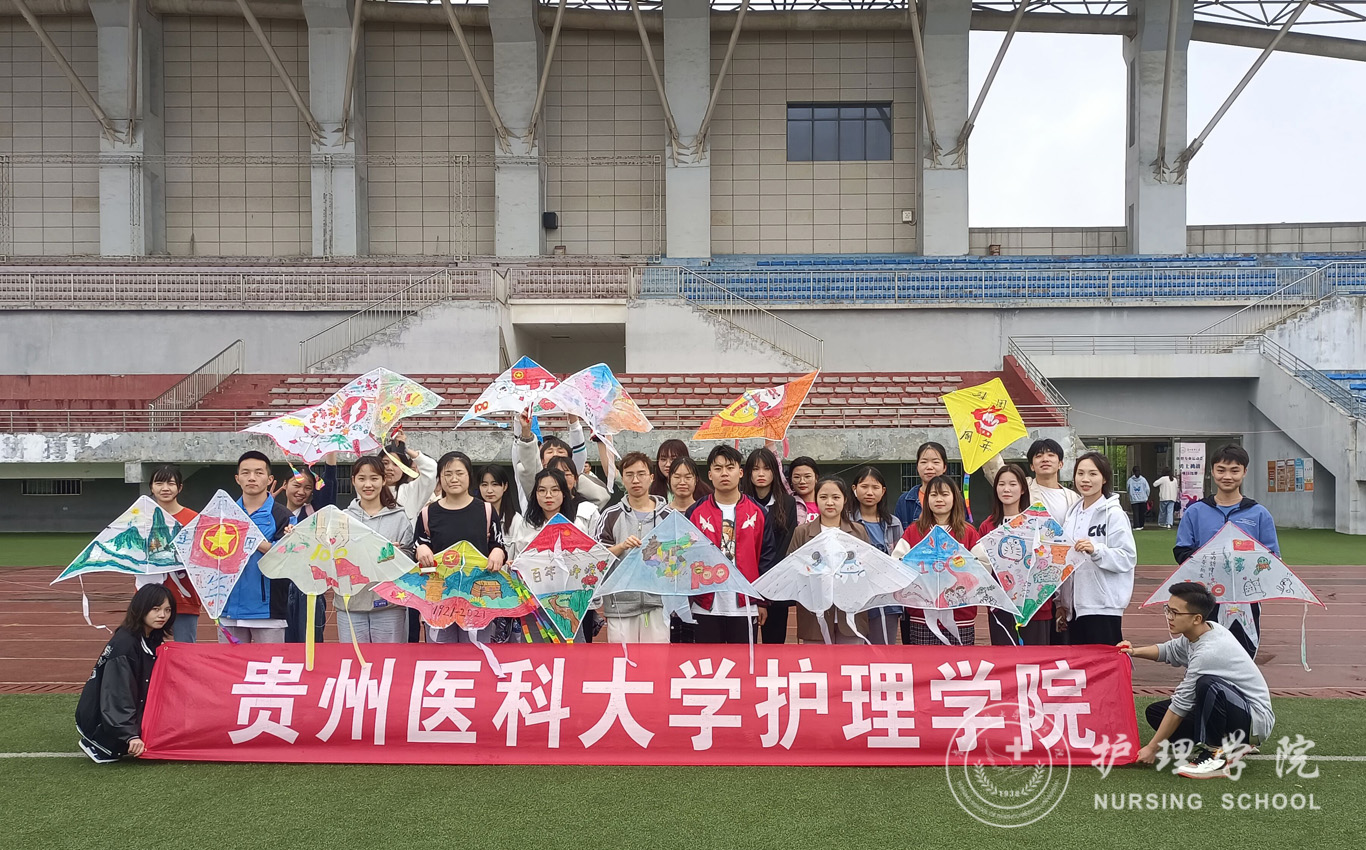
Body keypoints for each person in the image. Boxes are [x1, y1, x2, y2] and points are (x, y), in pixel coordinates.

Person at [1121, 581, 1275, 779]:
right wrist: (1133, 652)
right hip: (1236, 710)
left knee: (1207, 685)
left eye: (1175, 613)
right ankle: (1233, 744)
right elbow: (1170, 651)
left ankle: (1215, 756)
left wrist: (1152, 748)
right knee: (1156, 713)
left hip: (1254, 721)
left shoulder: (1208, 652)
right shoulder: (1204, 630)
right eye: (1168, 609)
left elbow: (1181, 703)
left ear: (1197, 618)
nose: (1169, 617)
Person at [1173, 444, 1279, 659]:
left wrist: (1246, 559)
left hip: (1245, 597)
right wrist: (1213, 557)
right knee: (1203, 652)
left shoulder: (1258, 513)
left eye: (1234, 470)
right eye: (1221, 470)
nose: (1227, 476)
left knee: (1243, 654)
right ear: (1212, 471)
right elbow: (1181, 551)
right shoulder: (1195, 511)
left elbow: (1272, 558)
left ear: (1244, 472)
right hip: (1204, 597)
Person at [686, 445, 778, 644]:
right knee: (707, 661)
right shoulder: (695, 512)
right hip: (705, 603)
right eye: (718, 468)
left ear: (741, 472)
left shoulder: (758, 512)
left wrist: (762, 601)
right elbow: (686, 557)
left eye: (730, 467)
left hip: (745, 604)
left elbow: (766, 559)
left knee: (743, 662)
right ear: (710, 475)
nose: (724, 473)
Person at [415, 451, 508, 644]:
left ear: (469, 476)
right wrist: (421, 549)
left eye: (459, 473)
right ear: (439, 478)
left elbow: (498, 545)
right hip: (439, 599)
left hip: (477, 598)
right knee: (440, 654)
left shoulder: (485, 510)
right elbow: (418, 546)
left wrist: (498, 552)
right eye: (447, 474)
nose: (453, 479)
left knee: (476, 653)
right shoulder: (428, 513)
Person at [76, 583, 175, 763]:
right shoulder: (125, 644)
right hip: (99, 722)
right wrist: (130, 735)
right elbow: (118, 693)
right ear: (141, 608)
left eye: (167, 610)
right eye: (155, 609)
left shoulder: (150, 637)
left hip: (114, 713)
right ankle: (103, 741)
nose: (162, 615)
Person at [1056, 452, 1136, 646]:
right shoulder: (1072, 515)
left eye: (1093, 474)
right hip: (1074, 609)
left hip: (1103, 607)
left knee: (1105, 660)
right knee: (1079, 662)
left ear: (1104, 478)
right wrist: (1061, 602)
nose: (1085, 479)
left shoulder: (1114, 514)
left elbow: (1127, 557)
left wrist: (1096, 550)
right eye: (1080, 473)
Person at [892, 474, 980, 645]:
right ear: (927, 500)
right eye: (934, 495)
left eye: (945, 494)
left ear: (955, 498)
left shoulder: (968, 532)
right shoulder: (914, 531)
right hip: (922, 617)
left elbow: (983, 567)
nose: (939, 499)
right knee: (925, 662)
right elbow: (897, 563)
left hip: (961, 617)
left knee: (960, 662)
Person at [595, 452, 673, 644]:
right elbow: (597, 557)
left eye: (641, 474)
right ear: (622, 478)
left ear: (651, 477)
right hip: (620, 605)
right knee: (621, 660)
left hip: (658, 604)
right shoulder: (610, 515)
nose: (635, 480)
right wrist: (621, 546)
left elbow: (678, 559)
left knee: (656, 660)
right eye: (629, 475)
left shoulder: (668, 516)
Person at [976, 462, 1056, 646]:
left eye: (1013, 484)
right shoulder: (988, 526)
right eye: (1001, 484)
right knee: (1004, 659)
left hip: (1034, 606)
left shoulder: (1039, 521)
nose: (1006, 489)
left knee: (1035, 659)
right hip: (1001, 607)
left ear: (1023, 489)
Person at [338, 456, 415, 643]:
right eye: (362, 478)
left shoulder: (400, 518)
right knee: (352, 660)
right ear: (353, 481)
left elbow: (410, 558)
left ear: (384, 480)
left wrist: (397, 555)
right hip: (350, 604)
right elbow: (332, 556)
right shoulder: (342, 518)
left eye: (374, 478)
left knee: (390, 660)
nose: (368, 484)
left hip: (390, 605)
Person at [220, 451, 293, 644]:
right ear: (237, 478)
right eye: (246, 473)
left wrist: (252, 540)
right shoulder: (223, 514)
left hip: (269, 611)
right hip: (229, 609)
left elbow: (289, 555)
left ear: (269, 479)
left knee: (270, 663)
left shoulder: (283, 516)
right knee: (229, 664)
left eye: (259, 473)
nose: (252, 478)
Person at [787, 475, 871, 644]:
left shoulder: (858, 531)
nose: (830, 502)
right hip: (814, 614)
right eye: (824, 497)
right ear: (816, 499)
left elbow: (868, 568)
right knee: (816, 660)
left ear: (844, 500)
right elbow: (790, 570)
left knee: (852, 660)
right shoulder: (802, 532)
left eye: (836, 497)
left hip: (851, 614)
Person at [136, 464, 201, 643]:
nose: (165, 488)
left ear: (180, 487)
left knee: (185, 650)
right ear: (151, 487)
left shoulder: (194, 519)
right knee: (148, 649)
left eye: (171, 483)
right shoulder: (140, 519)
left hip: (184, 596)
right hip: (149, 598)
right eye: (159, 483)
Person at [743, 447, 799, 645]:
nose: (761, 474)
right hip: (746, 582)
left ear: (775, 472)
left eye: (766, 469)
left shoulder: (788, 503)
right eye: (755, 469)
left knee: (774, 645)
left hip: (777, 584)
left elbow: (786, 545)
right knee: (744, 644)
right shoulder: (742, 503)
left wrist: (767, 582)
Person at [278, 457, 336, 646]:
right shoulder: (275, 514)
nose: (301, 491)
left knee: (310, 643)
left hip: (310, 588)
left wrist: (331, 452)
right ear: (285, 485)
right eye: (296, 485)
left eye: (308, 488)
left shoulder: (315, 512)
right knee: (283, 645)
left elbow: (330, 482)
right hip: (280, 589)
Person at [850, 466, 904, 644]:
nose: (869, 492)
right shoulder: (846, 522)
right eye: (864, 486)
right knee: (855, 651)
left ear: (883, 491)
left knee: (883, 650)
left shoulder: (894, 523)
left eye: (875, 487)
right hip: (856, 599)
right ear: (854, 489)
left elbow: (901, 561)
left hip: (886, 599)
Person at [513, 414, 609, 509]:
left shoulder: (584, 510)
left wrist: (574, 422)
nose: (555, 454)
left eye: (560, 451)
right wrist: (521, 424)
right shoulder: (533, 480)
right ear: (541, 460)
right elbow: (524, 455)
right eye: (550, 451)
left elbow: (579, 454)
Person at [381, 427, 438, 525]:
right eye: (385, 463)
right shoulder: (370, 489)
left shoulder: (410, 491)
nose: (389, 468)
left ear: (404, 469)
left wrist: (405, 449)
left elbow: (431, 468)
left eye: (396, 464)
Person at [893, 441, 950, 527]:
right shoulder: (905, 501)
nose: (929, 467)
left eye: (935, 462)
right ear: (917, 467)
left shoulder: (956, 499)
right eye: (924, 462)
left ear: (944, 467)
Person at [546, 455, 603, 532]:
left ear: (575, 478)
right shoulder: (539, 508)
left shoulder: (588, 510)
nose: (562, 478)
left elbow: (598, 537)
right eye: (557, 474)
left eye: (567, 474)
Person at [479, 464, 520, 537]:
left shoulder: (516, 520)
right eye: (484, 485)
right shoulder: (472, 517)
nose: (489, 490)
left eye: (495, 484)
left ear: (505, 486)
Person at [786, 457, 821, 524]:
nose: (802, 481)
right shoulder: (787, 505)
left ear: (816, 478)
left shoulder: (825, 503)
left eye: (807, 476)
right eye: (797, 477)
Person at [1127, 466, 1151, 531]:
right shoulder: (1143, 480)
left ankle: (1136, 525)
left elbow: (1128, 489)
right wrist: (1146, 496)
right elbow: (1147, 489)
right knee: (1142, 513)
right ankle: (1141, 525)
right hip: (1143, 499)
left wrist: (1130, 495)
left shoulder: (1130, 480)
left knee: (1135, 513)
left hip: (1134, 499)